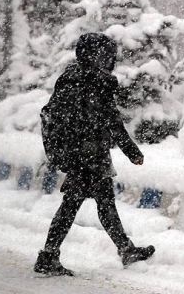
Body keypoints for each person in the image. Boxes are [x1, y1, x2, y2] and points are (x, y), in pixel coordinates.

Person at [34, 33, 155, 276]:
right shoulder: (96, 82)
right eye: (107, 54)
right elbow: (112, 121)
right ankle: (48, 255)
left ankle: (124, 249)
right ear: (98, 55)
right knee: (79, 205)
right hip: (89, 155)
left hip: (75, 153)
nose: (110, 59)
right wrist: (132, 152)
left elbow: (60, 115)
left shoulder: (68, 78)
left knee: (98, 202)